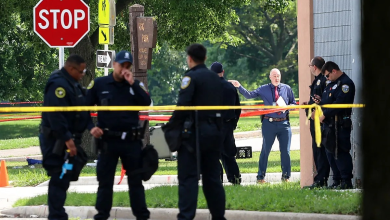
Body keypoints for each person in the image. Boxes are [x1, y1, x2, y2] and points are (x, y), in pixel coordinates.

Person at [86, 50, 152, 220]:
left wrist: (133, 84)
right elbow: (82, 107)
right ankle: (102, 215)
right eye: (121, 65)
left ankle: (142, 216)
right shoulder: (100, 84)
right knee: (105, 182)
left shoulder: (135, 86)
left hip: (131, 141)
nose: (124, 69)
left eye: (128, 66)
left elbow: (146, 102)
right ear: (114, 64)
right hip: (108, 140)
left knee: (135, 181)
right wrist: (90, 127)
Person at [169, 43, 226, 220]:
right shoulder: (215, 79)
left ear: (189, 58)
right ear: (205, 58)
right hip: (214, 132)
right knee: (212, 178)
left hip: (194, 134)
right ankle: (218, 216)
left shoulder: (190, 78)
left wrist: (171, 128)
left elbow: (182, 106)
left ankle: (186, 217)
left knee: (188, 178)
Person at [39, 54, 90, 220]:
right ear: (70, 68)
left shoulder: (73, 84)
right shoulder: (58, 85)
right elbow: (56, 116)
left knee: (65, 175)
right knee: (58, 176)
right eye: (81, 71)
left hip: (68, 140)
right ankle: (56, 215)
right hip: (57, 141)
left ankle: (58, 213)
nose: (82, 74)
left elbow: (81, 109)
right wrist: (68, 139)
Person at [229, 69, 297, 183]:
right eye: (274, 76)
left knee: (286, 151)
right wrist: (239, 86)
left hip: (284, 123)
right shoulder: (264, 88)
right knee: (265, 150)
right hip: (269, 123)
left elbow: (294, 104)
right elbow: (249, 95)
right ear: (270, 77)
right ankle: (260, 177)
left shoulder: (287, 88)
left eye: (278, 76)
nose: (276, 78)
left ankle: (286, 177)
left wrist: (288, 107)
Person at [312, 61, 355, 189]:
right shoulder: (332, 84)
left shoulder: (345, 84)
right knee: (330, 153)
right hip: (329, 126)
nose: (327, 78)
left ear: (334, 71)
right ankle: (336, 180)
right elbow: (327, 101)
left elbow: (339, 104)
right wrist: (319, 104)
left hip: (339, 124)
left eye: (327, 75)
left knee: (340, 152)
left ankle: (346, 181)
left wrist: (324, 114)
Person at [210, 61, 241, 185]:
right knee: (228, 154)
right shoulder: (231, 87)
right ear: (222, 72)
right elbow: (237, 108)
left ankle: (217, 180)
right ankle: (235, 179)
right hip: (227, 125)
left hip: (213, 126)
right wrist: (233, 123)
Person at [302, 56, 330, 189]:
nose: (310, 68)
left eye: (309, 65)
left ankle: (321, 180)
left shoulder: (322, 81)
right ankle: (320, 178)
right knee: (316, 149)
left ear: (314, 67)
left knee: (320, 150)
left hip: (319, 120)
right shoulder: (318, 80)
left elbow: (325, 101)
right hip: (314, 119)